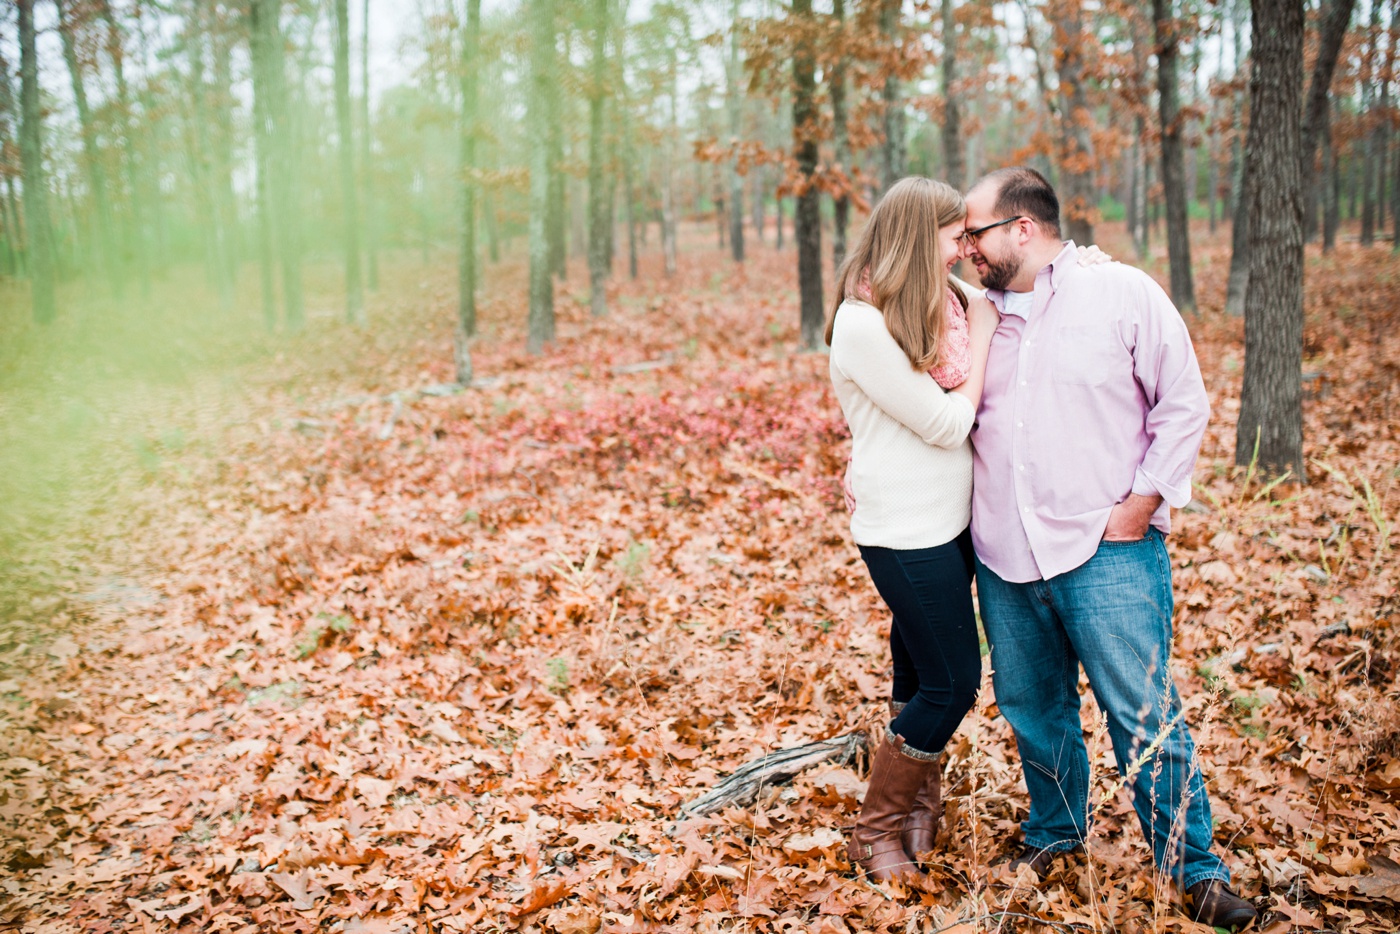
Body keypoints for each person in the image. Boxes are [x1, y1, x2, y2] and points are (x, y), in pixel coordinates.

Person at [961, 167, 1257, 930]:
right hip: (1003, 553)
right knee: (1033, 708)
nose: (965, 249)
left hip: (1107, 550)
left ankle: (1192, 871)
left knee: (1143, 710)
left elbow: (1183, 401)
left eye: (975, 234)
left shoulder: (1121, 294)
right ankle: (1056, 834)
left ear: (1022, 229)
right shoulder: (970, 316)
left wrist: (1145, 501)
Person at [824, 177, 1107, 884]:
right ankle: (875, 828)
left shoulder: (942, 301)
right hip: (904, 529)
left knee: (916, 667)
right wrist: (981, 341)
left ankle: (920, 803)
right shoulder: (863, 322)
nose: (966, 247)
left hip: (953, 523)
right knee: (952, 684)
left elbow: (1022, 290)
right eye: (956, 235)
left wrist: (1086, 267)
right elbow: (949, 422)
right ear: (923, 237)